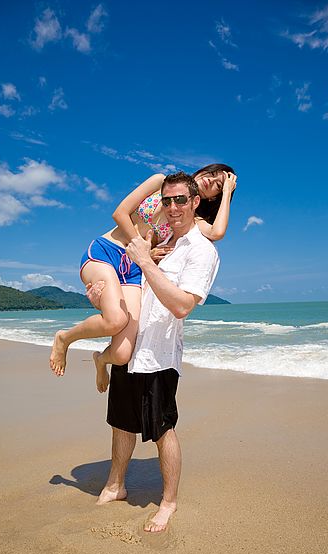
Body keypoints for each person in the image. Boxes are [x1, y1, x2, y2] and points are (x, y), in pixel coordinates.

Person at [94, 171, 220, 533]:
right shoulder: (161, 243)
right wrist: (103, 292)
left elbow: (182, 305)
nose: (173, 207)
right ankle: (116, 485)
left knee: (163, 429)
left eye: (181, 199)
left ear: (195, 203)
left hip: (159, 356)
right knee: (121, 422)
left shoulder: (201, 251)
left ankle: (168, 502)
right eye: (167, 201)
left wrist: (146, 261)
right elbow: (129, 287)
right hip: (133, 344)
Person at [49, 164, 236, 378]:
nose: (210, 181)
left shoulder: (193, 221)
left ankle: (100, 359)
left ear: (214, 197)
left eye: (218, 185)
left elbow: (217, 232)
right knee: (115, 320)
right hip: (108, 252)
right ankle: (64, 338)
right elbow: (119, 213)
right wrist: (141, 248)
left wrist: (228, 191)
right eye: (211, 174)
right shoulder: (160, 182)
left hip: (134, 271)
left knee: (121, 355)